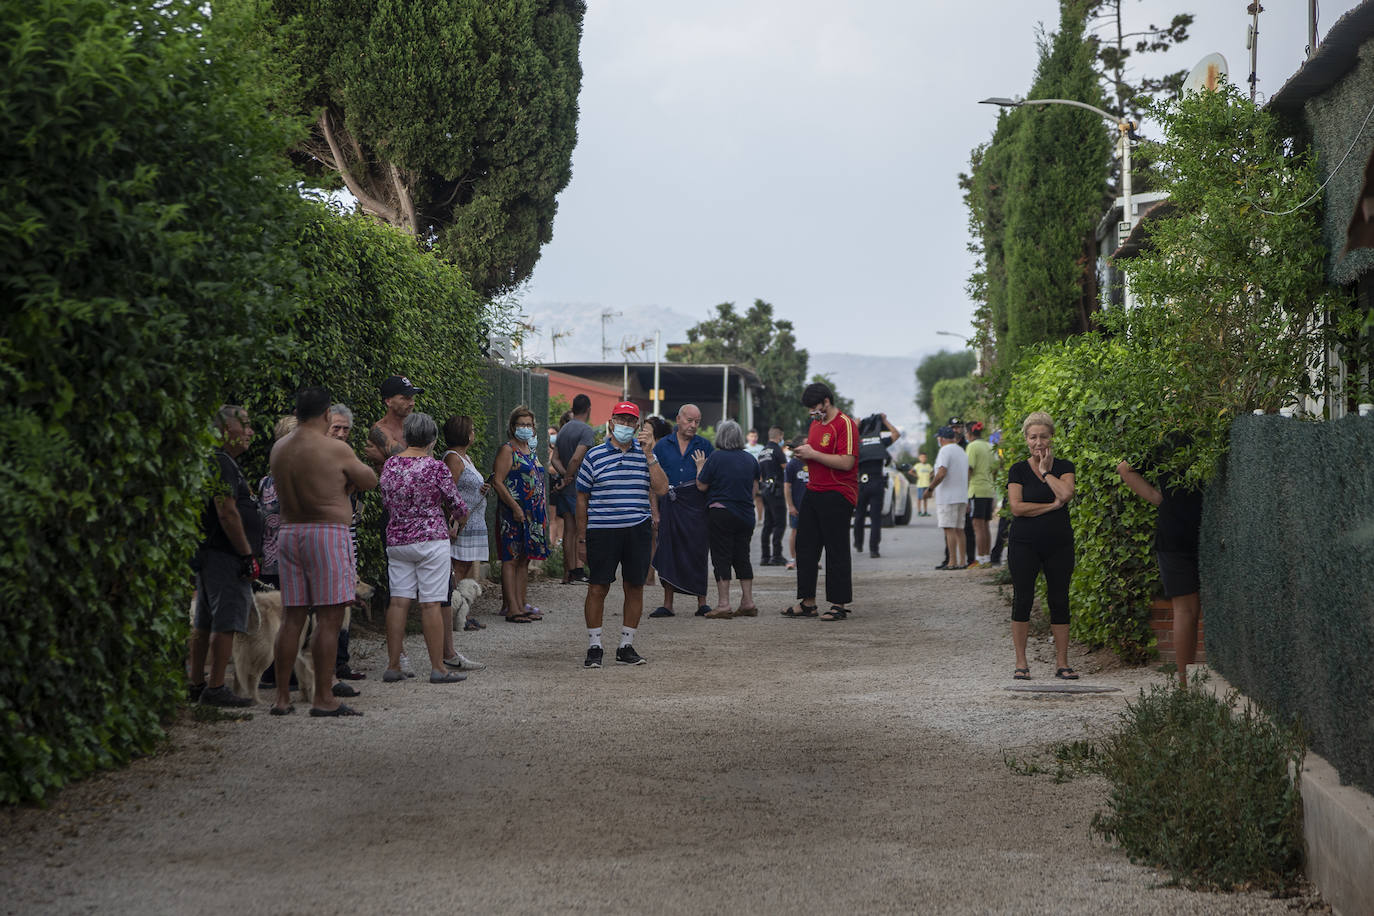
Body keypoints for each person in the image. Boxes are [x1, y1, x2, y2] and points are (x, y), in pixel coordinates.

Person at [271, 387, 378, 715]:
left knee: (292, 617)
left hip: (289, 533)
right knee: (329, 618)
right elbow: (370, 479)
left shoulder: (279, 448)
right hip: (326, 533)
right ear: (326, 414)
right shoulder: (334, 449)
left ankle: (282, 698)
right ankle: (322, 697)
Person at [576, 401, 669, 667]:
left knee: (634, 587)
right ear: (611, 422)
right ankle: (595, 646)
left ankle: (626, 645)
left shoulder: (646, 456)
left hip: (637, 529)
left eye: (630, 422)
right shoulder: (594, 455)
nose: (625, 426)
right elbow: (581, 498)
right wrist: (581, 538)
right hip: (602, 530)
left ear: (638, 426)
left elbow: (662, 489)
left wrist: (650, 455)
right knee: (597, 587)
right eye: (621, 420)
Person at [378, 411, 469, 685]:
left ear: (405, 436)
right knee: (430, 604)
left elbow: (385, 500)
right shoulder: (436, 468)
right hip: (431, 539)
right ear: (432, 439)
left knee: (398, 601)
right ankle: (438, 668)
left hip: (397, 540)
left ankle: (394, 664)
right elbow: (457, 505)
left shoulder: (390, 465)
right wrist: (459, 518)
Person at [188, 405, 262, 707]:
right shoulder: (222, 463)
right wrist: (246, 554)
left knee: (204, 622)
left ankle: (197, 683)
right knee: (225, 622)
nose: (250, 432)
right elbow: (227, 510)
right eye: (243, 425)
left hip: (210, 553)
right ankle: (216, 686)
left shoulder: (214, 461)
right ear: (223, 430)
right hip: (225, 555)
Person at [1116, 448, 1203, 686]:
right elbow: (1124, 468)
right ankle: (1188, 683)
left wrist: (1159, 499)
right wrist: (1157, 498)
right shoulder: (1206, 433)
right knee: (1189, 611)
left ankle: (1185, 685)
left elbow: (1125, 468)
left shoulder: (1165, 437)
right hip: (1193, 531)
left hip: (1175, 530)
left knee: (1186, 611)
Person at [1006, 411, 1077, 681]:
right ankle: (1021, 662)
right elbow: (1017, 507)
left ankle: (1062, 662)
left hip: (1059, 543)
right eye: (1033, 437)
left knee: (1060, 599)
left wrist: (1047, 473)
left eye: (1043, 436)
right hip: (1024, 544)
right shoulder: (1018, 470)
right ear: (1026, 440)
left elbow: (1067, 493)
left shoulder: (1064, 466)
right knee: (1022, 598)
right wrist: (1050, 506)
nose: (1038, 442)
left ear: (1052, 438)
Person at [783, 382, 858, 621]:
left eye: (815, 407)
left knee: (836, 549)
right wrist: (804, 452)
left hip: (838, 492)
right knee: (805, 548)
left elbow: (847, 462)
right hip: (813, 490)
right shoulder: (816, 425)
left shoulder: (844, 424)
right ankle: (807, 602)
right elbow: (817, 455)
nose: (812, 413)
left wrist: (813, 454)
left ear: (826, 401)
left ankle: (838, 604)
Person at [648, 404, 713, 618]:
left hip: (696, 507)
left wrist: (702, 470)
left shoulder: (705, 446)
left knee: (698, 552)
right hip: (669, 505)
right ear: (678, 419)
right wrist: (654, 511)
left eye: (697, 422)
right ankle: (668, 604)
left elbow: (712, 481)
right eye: (689, 421)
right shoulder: (662, 446)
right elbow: (651, 482)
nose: (693, 425)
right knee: (667, 552)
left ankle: (701, 602)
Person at [695, 420, 762, 618]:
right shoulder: (750, 459)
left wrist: (700, 466)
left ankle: (724, 604)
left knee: (721, 557)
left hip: (721, 513)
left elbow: (701, 486)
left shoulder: (715, 458)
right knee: (742, 556)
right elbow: (754, 490)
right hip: (746, 515)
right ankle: (748, 601)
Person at [442, 414, 493, 664]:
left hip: (473, 521)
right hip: (462, 523)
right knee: (456, 569)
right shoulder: (452, 458)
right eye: (471, 429)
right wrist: (453, 519)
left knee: (463, 567)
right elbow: (449, 490)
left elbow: (466, 485)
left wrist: (482, 488)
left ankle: (461, 612)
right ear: (464, 433)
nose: (474, 433)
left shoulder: (465, 457)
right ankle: (451, 615)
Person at [492, 405, 550, 622]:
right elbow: (498, 481)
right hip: (513, 513)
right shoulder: (508, 450)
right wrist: (515, 508)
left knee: (525, 559)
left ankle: (520, 602)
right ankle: (512, 608)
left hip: (533, 514)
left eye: (529, 425)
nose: (525, 428)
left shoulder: (530, 450)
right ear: (513, 426)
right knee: (511, 558)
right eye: (521, 424)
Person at [327, 403, 367, 681]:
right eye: (336, 428)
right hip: (325, 542)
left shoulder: (347, 458)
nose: (341, 434)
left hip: (347, 542)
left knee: (343, 608)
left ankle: (340, 663)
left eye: (345, 429)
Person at [552, 394, 596, 583]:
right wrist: (570, 476)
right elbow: (577, 458)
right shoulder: (586, 430)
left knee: (568, 531)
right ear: (588, 409)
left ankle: (567, 573)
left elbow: (554, 458)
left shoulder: (563, 430)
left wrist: (563, 475)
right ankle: (578, 570)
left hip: (565, 486)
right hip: (578, 487)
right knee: (580, 529)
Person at [854, 413, 899, 558]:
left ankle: (858, 543)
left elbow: (845, 440)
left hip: (861, 483)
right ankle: (874, 549)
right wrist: (886, 420)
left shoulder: (858, 441)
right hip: (877, 482)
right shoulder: (880, 441)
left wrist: (855, 425)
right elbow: (896, 434)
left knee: (859, 515)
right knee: (875, 518)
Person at [928, 426, 969, 570]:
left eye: (938, 438)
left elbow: (942, 472)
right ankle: (963, 561)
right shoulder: (961, 451)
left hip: (947, 496)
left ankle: (952, 561)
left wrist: (930, 488)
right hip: (961, 495)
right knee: (959, 529)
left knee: (949, 528)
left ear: (942, 439)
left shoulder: (944, 450)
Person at [365, 374, 422, 466]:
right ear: (388, 401)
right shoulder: (380, 430)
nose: (411, 403)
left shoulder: (416, 427)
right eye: (405, 398)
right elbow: (411, 466)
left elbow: (428, 467)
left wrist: (383, 459)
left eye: (412, 398)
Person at [966, 421, 998, 567]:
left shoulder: (972, 446)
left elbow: (969, 469)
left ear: (969, 434)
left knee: (977, 525)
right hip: (989, 489)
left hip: (976, 490)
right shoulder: (989, 446)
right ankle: (986, 558)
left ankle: (980, 558)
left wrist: (964, 489)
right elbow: (996, 468)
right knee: (985, 525)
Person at [758, 426, 788, 566]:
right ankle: (776, 555)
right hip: (776, 490)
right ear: (780, 436)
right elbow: (785, 467)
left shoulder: (762, 451)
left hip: (765, 489)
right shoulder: (777, 450)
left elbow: (759, 473)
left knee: (768, 523)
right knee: (780, 523)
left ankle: (765, 556)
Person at [783, 436, 808, 570]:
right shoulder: (792, 464)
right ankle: (794, 558)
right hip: (797, 505)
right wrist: (790, 505)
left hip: (811, 505)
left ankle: (811, 558)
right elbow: (787, 486)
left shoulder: (813, 461)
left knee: (811, 533)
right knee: (795, 532)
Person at [745, 428, 765, 523]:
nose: (754, 438)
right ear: (747, 437)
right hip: (747, 476)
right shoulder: (744, 448)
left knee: (759, 498)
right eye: (751, 436)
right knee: (747, 498)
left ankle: (760, 519)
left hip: (758, 476)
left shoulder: (761, 448)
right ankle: (748, 517)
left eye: (755, 436)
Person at [913, 452, 933, 517]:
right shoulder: (918, 465)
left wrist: (930, 476)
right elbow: (910, 471)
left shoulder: (928, 466)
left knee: (925, 498)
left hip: (926, 484)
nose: (923, 458)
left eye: (924, 457)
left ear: (926, 458)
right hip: (920, 484)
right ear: (919, 458)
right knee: (919, 498)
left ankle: (925, 511)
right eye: (922, 457)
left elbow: (933, 472)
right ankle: (919, 511)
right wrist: (916, 476)